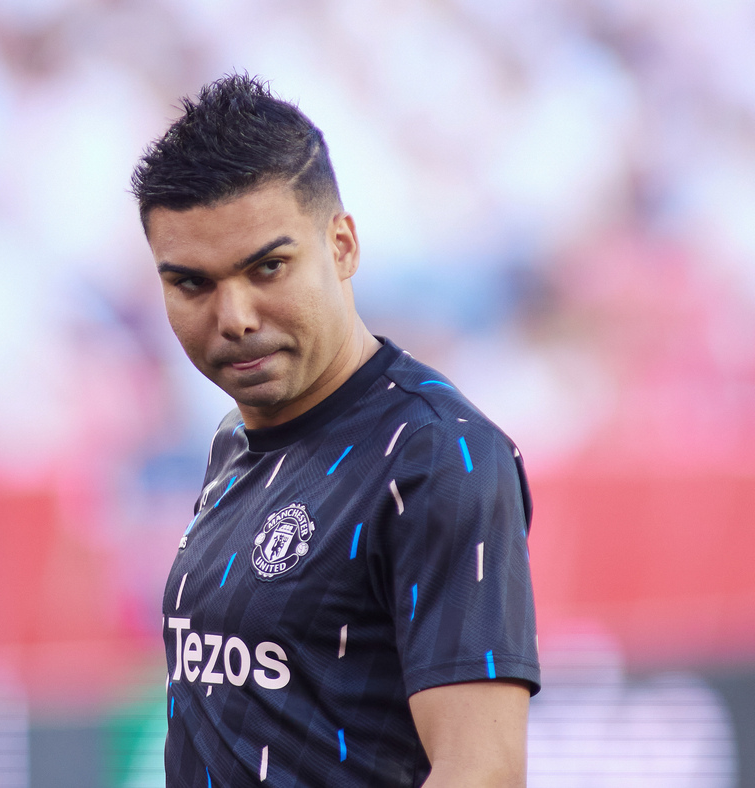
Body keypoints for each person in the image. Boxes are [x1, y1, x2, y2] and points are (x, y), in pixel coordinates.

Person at [131, 75, 538, 787]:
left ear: (342, 245)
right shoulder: (234, 442)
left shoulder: (439, 455)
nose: (235, 317)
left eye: (268, 268)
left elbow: (482, 770)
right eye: (192, 283)